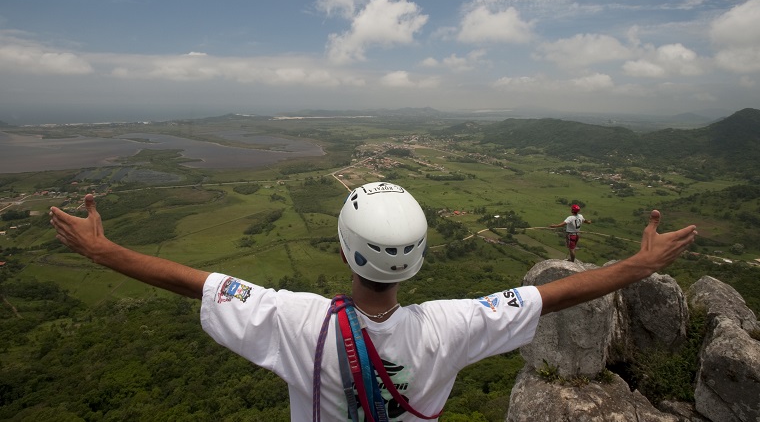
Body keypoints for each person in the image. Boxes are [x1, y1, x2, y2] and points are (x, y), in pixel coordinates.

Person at [49, 182, 697, 421]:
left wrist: (104, 252)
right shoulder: (450, 326)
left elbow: (196, 280)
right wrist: (638, 265)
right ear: (415, 263)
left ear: (343, 252)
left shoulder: (295, 322)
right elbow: (550, 295)